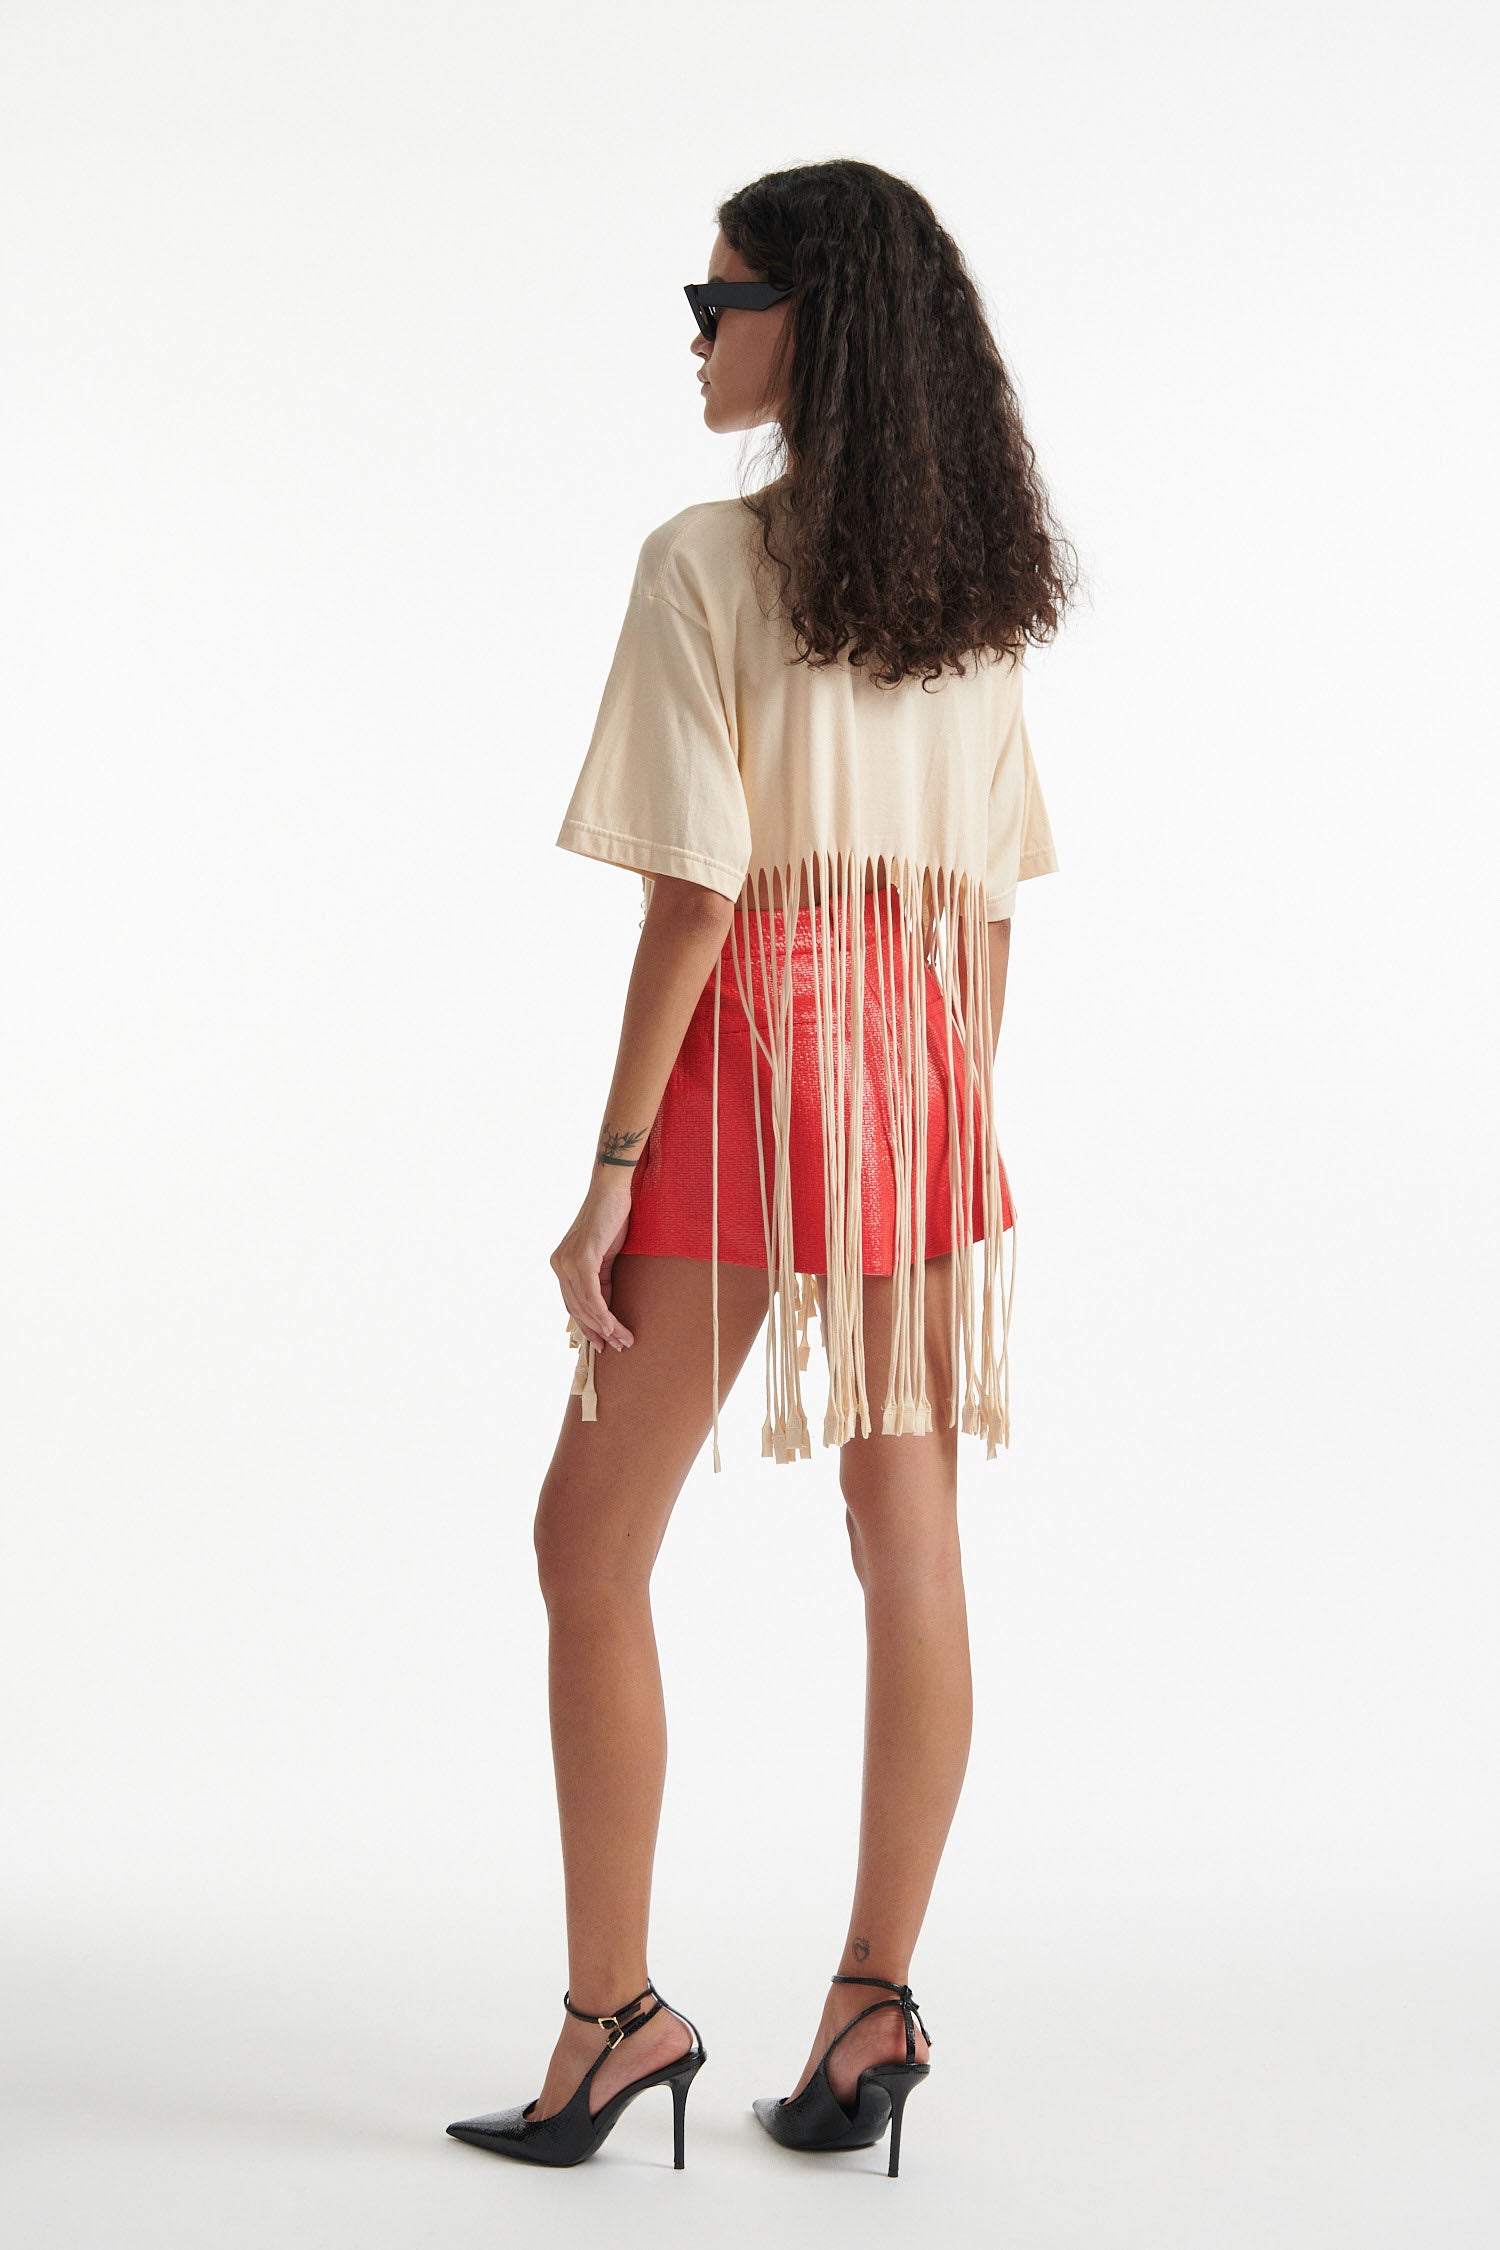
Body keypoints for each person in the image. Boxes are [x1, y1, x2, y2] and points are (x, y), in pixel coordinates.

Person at [446, 158, 1075, 2178]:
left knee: (588, 1546)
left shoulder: (705, 565)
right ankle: (872, 1998)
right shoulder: (972, 591)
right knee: (912, 1551)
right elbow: (988, 912)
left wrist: (612, 1165)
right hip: (913, 1070)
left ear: (809, 320)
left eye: (718, 293)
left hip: (749, 1067)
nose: (696, 328)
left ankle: (612, 2021)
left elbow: (696, 899)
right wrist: (938, 1099)